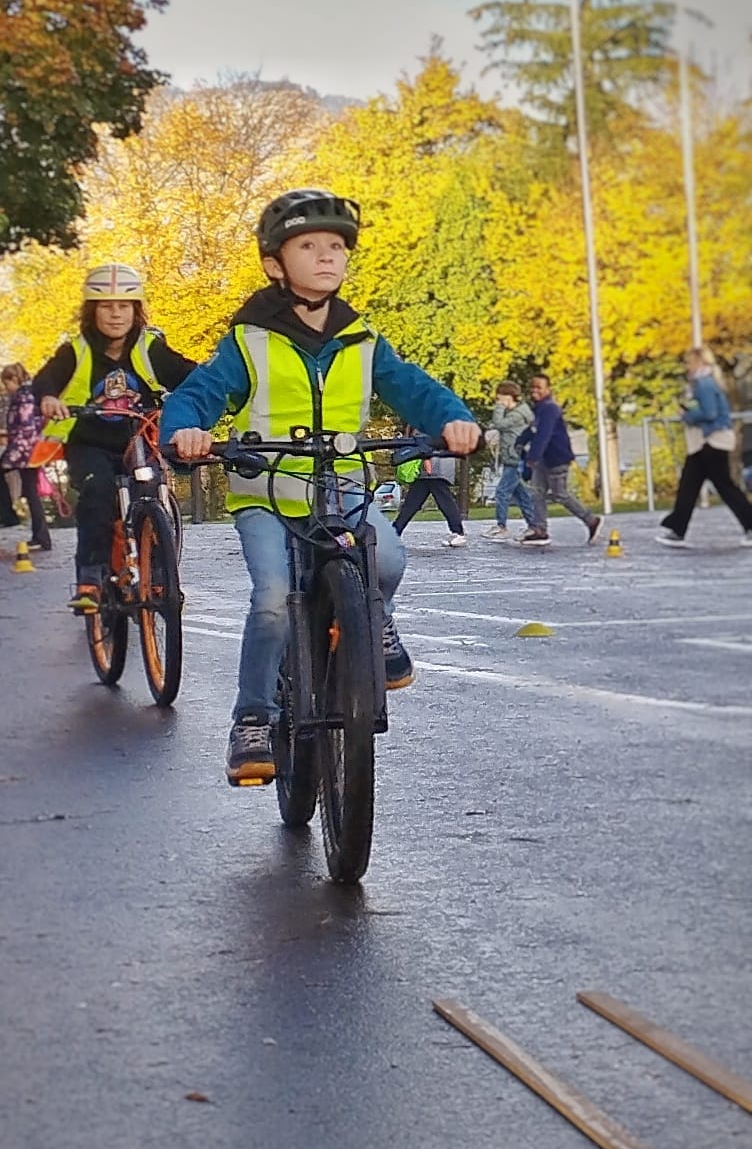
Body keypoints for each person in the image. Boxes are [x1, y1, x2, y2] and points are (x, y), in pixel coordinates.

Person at [162, 189, 481, 786]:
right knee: (273, 598)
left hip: (342, 487)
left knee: (387, 558)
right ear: (275, 264)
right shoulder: (248, 339)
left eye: (336, 246)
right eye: (309, 246)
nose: (328, 257)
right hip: (267, 491)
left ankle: (376, 619)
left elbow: (413, 387)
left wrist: (453, 420)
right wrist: (187, 433)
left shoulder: (361, 339)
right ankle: (253, 717)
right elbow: (200, 395)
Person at [33, 264, 195, 609]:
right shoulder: (75, 351)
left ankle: (160, 574)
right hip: (89, 443)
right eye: (106, 306)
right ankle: (90, 578)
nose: (116, 314)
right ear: (93, 312)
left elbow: (188, 377)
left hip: (139, 440)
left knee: (153, 489)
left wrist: (206, 393)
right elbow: (45, 381)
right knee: (97, 492)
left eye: (124, 306)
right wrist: (48, 398)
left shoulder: (149, 347)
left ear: (136, 310)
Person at [656, 346, 752, 547]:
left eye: (689, 362)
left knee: (721, 486)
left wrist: (688, 416)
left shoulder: (704, 384)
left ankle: (678, 528)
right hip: (707, 442)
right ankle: (677, 528)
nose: (686, 366)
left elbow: (709, 413)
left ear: (699, 363)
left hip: (712, 441)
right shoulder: (705, 382)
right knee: (691, 485)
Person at [517, 374, 602, 548]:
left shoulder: (549, 408)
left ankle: (591, 520)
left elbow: (543, 434)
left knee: (560, 494)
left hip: (556, 458)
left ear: (547, 389)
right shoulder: (539, 409)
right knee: (537, 493)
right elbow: (533, 430)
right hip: (543, 459)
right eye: (532, 387)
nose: (535, 391)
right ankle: (540, 530)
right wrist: (521, 441)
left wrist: (532, 456)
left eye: (539, 387)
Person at [0, 362, 50, 551]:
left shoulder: (24, 397)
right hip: (29, 449)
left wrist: (14, 456)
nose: (6, 389)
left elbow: (25, 428)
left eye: (6, 384)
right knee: (30, 491)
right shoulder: (30, 393)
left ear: (14, 379)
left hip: (25, 450)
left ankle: (9, 517)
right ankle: (41, 537)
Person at [391, 429, 467, 545]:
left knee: (442, 502)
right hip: (432, 467)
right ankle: (395, 532)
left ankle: (458, 532)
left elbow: (427, 439)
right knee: (413, 503)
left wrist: (426, 459)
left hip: (433, 466)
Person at [481, 380, 534, 540]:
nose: (498, 402)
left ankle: (501, 526)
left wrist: (499, 407)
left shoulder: (517, 415)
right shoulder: (518, 413)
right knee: (522, 495)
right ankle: (534, 526)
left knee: (502, 492)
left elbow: (499, 424)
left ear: (509, 397)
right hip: (513, 458)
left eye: (500, 398)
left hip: (515, 459)